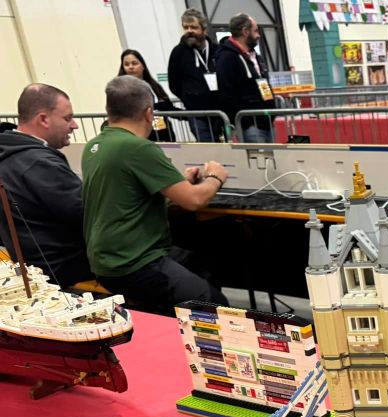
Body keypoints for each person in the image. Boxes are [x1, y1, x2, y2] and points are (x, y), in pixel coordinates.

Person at [82, 76, 229, 313]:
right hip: (134, 262)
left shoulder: (95, 146)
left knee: (202, 265)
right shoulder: (138, 148)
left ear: (109, 110)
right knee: (217, 307)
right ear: (149, 113)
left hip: (105, 260)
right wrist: (216, 176)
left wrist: (177, 184)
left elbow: (129, 196)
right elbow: (195, 200)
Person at [0, 84, 92, 287]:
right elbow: (89, 215)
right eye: (67, 118)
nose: (75, 125)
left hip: (35, 265)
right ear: (43, 119)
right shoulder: (39, 163)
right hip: (65, 267)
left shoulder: (9, 154)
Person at [216, 12, 275, 143]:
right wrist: (245, 122)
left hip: (266, 120)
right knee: (258, 155)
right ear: (245, 32)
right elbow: (227, 93)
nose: (259, 35)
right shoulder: (227, 58)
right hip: (250, 125)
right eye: (256, 31)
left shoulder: (255, 56)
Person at [167, 7, 223, 142]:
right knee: (208, 147)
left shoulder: (218, 50)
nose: (189, 31)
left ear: (204, 30)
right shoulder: (178, 52)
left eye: (194, 27)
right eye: (186, 27)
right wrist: (190, 97)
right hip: (197, 114)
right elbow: (174, 83)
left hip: (221, 111)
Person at [119, 48, 177, 141]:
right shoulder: (120, 89)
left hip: (162, 131)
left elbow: (168, 107)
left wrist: (190, 115)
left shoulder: (153, 86)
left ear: (143, 66)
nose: (131, 67)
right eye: (126, 64)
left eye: (134, 63)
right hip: (139, 134)